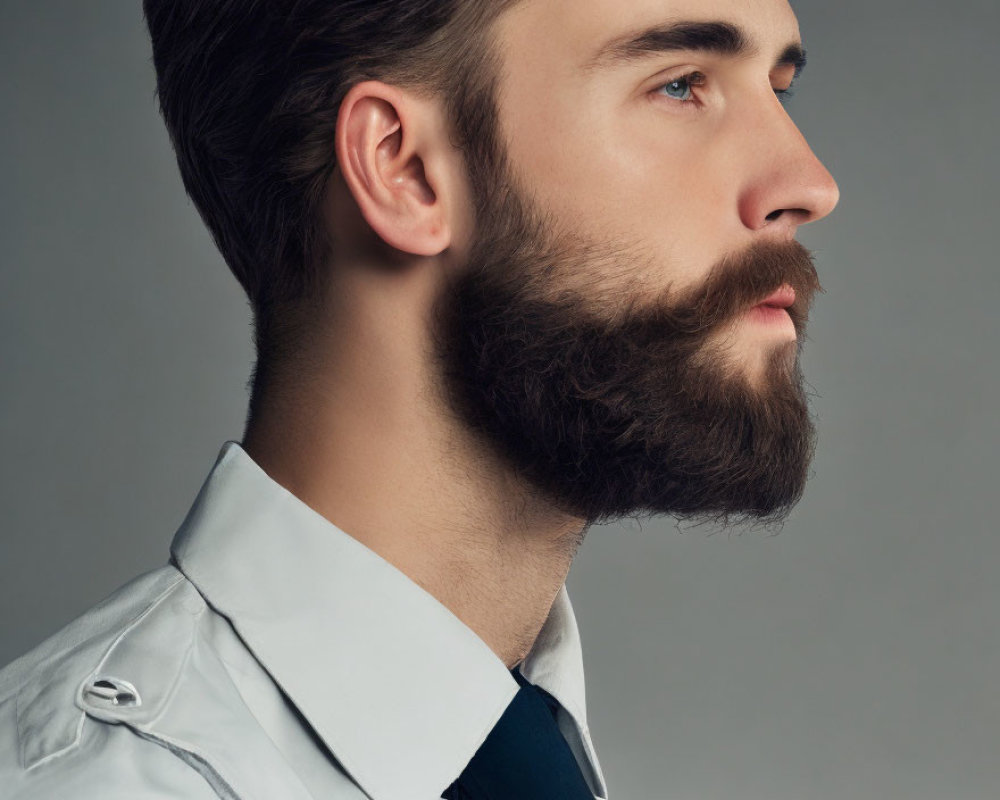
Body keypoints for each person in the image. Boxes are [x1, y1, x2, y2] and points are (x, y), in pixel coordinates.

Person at [0, 0, 839, 797]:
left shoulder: (515, 741)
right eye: (681, 84)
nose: (810, 183)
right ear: (403, 169)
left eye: (777, 87)